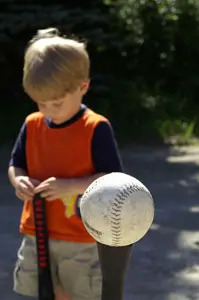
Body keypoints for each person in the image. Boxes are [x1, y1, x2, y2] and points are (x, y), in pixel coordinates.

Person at [8, 27, 123, 300]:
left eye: (56, 103)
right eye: (40, 102)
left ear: (83, 87)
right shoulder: (32, 124)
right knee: (45, 293)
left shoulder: (95, 127)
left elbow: (113, 179)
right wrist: (18, 180)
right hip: (36, 232)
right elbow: (16, 163)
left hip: (80, 238)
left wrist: (72, 186)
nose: (47, 110)